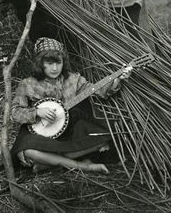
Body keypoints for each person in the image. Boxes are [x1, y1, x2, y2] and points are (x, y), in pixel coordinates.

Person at [11, 37, 131, 174]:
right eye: (49, 63)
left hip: (70, 130)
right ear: (40, 63)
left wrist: (117, 79)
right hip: (40, 132)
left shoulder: (74, 79)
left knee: (104, 138)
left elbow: (100, 92)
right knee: (29, 151)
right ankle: (83, 166)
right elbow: (15, 112)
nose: (55, 68)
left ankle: (48, 163)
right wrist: (37, 112)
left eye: (58, 63)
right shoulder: (27, 84)